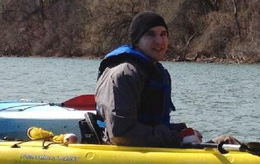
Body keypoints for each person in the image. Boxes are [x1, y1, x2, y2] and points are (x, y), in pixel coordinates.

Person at [95, 11, 237, 147]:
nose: (159, 41)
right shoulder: (124, 74)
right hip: (128, 154)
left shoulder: (155, 71)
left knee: (228, 141)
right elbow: (121, 134)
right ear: (137, 41)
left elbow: (152, 126)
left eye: (163, 34)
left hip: (151, 151)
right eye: (150, 34)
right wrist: (177, 138)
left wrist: (181, 131)